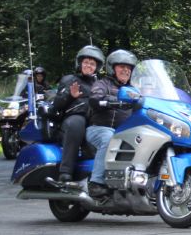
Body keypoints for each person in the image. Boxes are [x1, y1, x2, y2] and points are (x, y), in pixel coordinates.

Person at [86, 49, 137, 198]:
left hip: (124, 132)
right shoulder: (102, 83)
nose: (126, 70)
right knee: (109, 138)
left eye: (129, 68)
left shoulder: (134, 90)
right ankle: (96, 183)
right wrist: (110, 100)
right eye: (122, 66)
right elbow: (95, 98)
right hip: (99, 128)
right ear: (112, 68)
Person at [52, 45, 104, 184]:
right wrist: (70, 95)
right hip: (73, 118)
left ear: (96, 67)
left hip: (94, 120)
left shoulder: (99, 84)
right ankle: (65, 172)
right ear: (80, 63)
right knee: (77, 123)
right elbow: (56, 104)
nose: (89, 66)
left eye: (92, 64)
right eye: (86, 62)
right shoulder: (70, 80)